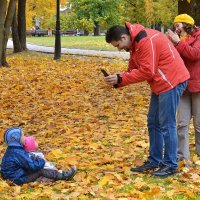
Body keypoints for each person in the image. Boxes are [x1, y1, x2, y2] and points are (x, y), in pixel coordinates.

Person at [104, 22, 190, 178]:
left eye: (118, 45)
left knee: (166, 123)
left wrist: (121, 78)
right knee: (153, 121)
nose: (119, 49)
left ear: (124, 37)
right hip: (160, 82)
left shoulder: (145, 40)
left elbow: (147, 72)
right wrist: (118, 80)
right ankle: (155, 160)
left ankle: (170, 164)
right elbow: (133, 68)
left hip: (171, 80)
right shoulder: (135, 42)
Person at [166, 14, 200, 163]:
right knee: (181, 123)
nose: (176, 28)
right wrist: (171, 43)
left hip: (198, 85)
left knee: (199, 124)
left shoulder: (199, 36)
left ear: (187, 25)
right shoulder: (177, 40)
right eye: (175, 26)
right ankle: (182, 156)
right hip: (183, 85)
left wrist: (178, 42)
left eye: (178, 25)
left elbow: (194, 54)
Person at [1, 127, 77, 185]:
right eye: (23, 136)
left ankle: (51, 175)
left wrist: (33, 159)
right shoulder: (18, 153)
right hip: (17, 179)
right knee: (40, 171)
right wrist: (41, 161)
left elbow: (25, 161)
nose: (25, 138)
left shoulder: (12, 150)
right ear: (16, 139)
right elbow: (33, 166)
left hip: (12, 176)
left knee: (38, 171)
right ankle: (63, 176)